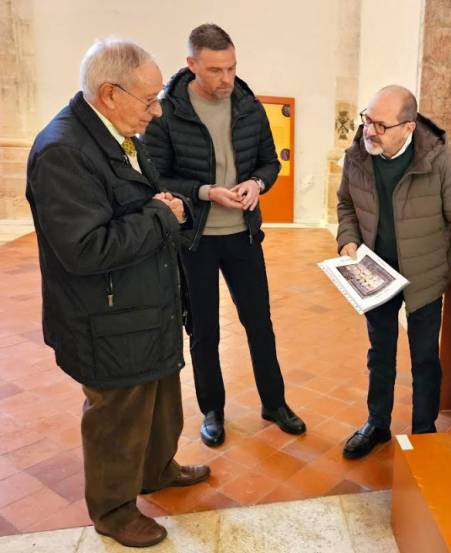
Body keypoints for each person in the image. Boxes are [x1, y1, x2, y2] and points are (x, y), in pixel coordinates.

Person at [25, 39, 209, 548]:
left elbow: (146, 198)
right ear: (109, 93)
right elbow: (84, 248)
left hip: (144, 305)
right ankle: (113, 509)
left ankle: (156, 470)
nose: (157, 111)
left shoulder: (118, 130)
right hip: (106, 317)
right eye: (149, 100)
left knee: (161, 398)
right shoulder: (64, 150)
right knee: (118, 414)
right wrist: (161, 215)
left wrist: (170, 210)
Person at [144, 23, 305, 447]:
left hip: (243, 236)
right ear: (192, 64)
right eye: (215, 70)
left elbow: (270, 163)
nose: (226, 79)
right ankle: (212, 410)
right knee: (204, 332)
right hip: (195, 240)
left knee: (260, 324)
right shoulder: (167, 112)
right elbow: (156, 175)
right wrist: (204, 192)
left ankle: (275, 402)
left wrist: (258, 183)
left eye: (232, 68)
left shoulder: (249, 106)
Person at [336, 85, 451, 459]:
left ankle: (424, 431)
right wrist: (347, 239)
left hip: (423, 277)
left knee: (425, 356)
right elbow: (346, 203)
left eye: (380, 124)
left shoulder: (438, 162)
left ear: (408, 128)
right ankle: (377, 423)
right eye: (367, 119)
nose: (369, 131)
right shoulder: (358, 156)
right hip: (375, 274)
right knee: (380, 353)